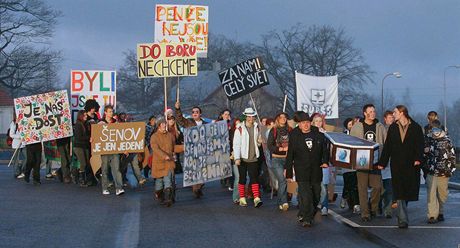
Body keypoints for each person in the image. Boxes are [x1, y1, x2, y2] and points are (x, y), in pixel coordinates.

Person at [378, 105, 424, 228]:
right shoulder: (393, 128)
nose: (393, 114)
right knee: (399, 191)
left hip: (411, 164)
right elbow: (388, 146)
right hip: (397, 164)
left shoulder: (416, 127)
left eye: (395, 112)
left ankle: (402, 211)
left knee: (408, 190)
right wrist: (382, 162)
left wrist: (418, 159)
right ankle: (402, 219)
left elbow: (420, 145)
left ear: (402, 112)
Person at [285, 112, 329, 227]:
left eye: (308, 123)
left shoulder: (318, 133)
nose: (306, 125)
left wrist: (325, 161)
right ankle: (307, 218)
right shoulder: (294, 135)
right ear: (299, 124)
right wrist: (288, 172)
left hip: (316, 169)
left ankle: (305, 212)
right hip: (301, 169)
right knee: (305, 194)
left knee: (316, 194)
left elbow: (325, 149)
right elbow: (290, 154)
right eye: (303, 123)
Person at [350, 104, 385, 222]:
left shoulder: (380, 126)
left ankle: (373, 207)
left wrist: (384, 160)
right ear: (365, 113)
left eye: (374, 111)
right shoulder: (357, 127)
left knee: (377, 187)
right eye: (370, 111)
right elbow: (351, 143)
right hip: (362, 162)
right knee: (362, 188)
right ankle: (365, 213)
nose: (373, 113)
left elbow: (385, 143)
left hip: (376, 162)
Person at [424, 120, 456, 224]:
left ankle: (440, 211)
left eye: (436, 129)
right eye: (432, 129)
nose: (434, 131)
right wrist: (425, 152)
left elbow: (452, 156)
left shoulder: (447, 140)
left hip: (444, 172)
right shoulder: (428, 139)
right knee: (431, 194)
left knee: (442, 194)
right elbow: (422, 153)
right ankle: (432, 215)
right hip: (431, 171)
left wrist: (451, 169)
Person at [175, 101, 209, 198]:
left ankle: (199, 186)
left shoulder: (206, 124)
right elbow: (180, 119)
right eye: (193, 112)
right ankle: (196, 189)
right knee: (195, 170)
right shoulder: (188, 122)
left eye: (196, 112)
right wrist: (177, 109)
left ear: (200, 114)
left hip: (202, 150)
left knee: (203, 170)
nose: (194, 113)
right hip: (192, 150)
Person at [233, 107, 263, 208]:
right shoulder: (239, 128)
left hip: (253, 157)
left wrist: (259, 142)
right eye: (249, 116)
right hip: (242, 157)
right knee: (242, 178)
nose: (251, 118)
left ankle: (256, 198)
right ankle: (242, 198)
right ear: (245, 117)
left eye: (252, 116)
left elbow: (257, 144)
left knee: (254, 178)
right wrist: (237, 158)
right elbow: (236, 144)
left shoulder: (257, 127)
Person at [267, 112, 291, 211]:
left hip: (288, 158)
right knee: (282, 180)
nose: (283, 119)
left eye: (285, 117)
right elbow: (270, 146)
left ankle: (280, 201)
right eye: (281, 117)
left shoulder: (290, 130)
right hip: (276, 158)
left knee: (285, 181)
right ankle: (284, 201)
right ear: (277, 119)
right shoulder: (273, 130)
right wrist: (280, 149)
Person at [99, 105, 124, 196]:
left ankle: (119, 188)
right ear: (105, 112)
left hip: (114, 150)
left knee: (116, 169)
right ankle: (105, 188)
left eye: (112, 111)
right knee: (105, 169)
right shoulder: (100, 124)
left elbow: (120, 136)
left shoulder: (116, 123)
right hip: (105, 150)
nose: (111, 113)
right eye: (109, 111)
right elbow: (96, 136)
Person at [151, 118, 176, 207]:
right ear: (158, 126)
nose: (164, 126)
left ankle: (168, 199)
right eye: (162, 124)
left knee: (168, 180)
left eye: (165, 124)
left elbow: (174, 147)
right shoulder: (154, 136)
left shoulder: (170, 136)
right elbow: (155, 149)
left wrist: (184, 147)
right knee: (159, 183)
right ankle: (160, 195)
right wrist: (163, 156)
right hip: (158, 163)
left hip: (169, 163)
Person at [340, 118, 360, 214]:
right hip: (346, 163)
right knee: (348, 183)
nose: (352, 126)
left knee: (354, 184)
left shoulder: (359, 134)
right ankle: (344, 197)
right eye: (350, 124)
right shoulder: (343, 135)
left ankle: (356, 204)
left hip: (356, 162)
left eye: (353, 124)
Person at [380, 110, 395, 218]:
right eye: (389, 117)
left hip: (394, 162)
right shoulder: (382, 130)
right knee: (382, 188)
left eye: (392, 117)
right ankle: (376, 204)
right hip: (384, 162)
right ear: (385, 119)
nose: (391, 119)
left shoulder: (397, 129)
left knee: (390, 188)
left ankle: (388, 210)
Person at [73, 110, 91, 187]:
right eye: (84, 115)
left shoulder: (86, 124)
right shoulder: (78, 125)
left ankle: (83, 178)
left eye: (86, 115)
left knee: (87, 162)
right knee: (83, 163)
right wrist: (88, 138)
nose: (86, 116)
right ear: (81, 116)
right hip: (79, 146)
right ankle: (81, 180)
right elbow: (79, 137)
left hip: (85, 146)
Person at [9, 113, 27, 179]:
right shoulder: (13, 123)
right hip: (16, 144)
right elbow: (11, 134)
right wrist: (19, 136)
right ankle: (17, 172)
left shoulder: (24, 122)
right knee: (16, 159)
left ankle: (22, 169)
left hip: (23, 143)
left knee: (27, 157)